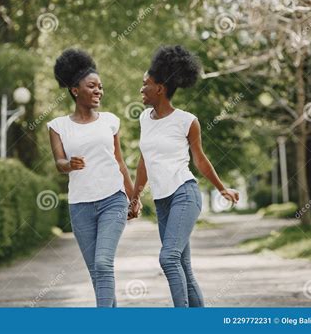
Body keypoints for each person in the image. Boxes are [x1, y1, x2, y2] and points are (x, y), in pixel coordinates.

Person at [129, 45, 239, 307]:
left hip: (184, 194)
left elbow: (200, 160)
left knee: (168, 258)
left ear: (160, 88)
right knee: (183, 266)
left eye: (145, 84)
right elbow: (145, 160)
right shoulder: (145, 118)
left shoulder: (187, 120)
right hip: (162, 201)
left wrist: (222, 188)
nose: (141, 89)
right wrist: (134, 197)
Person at [47, 48, 137, 307]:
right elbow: (59, 163)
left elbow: (120, 162)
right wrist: (69, 164)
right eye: (92, 86)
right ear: (75, 90)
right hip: (80, 206)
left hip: (113, 200)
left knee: (103, 262)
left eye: (101, 87)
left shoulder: (110, 121)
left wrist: (133, 197)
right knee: (98, 273)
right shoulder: (57, 126)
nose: (99, 91)